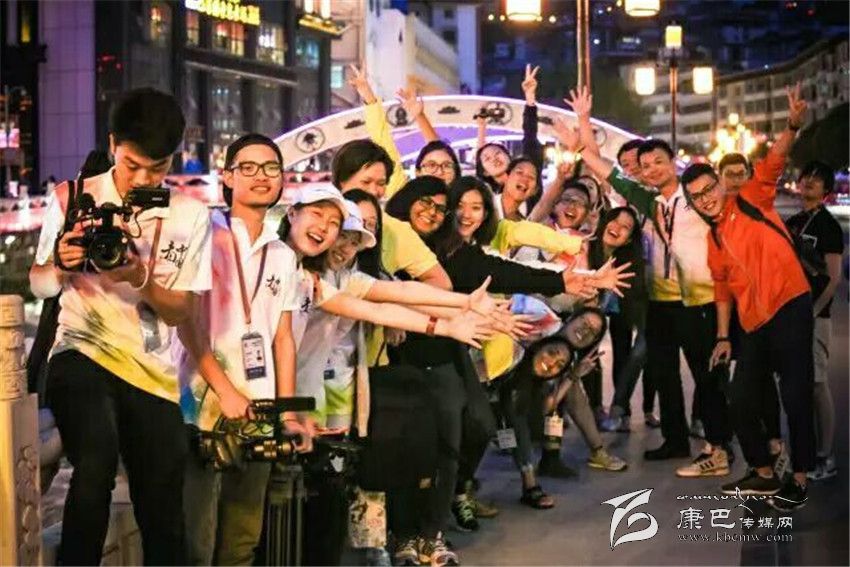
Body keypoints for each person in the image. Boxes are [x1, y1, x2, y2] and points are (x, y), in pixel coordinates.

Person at [30, 88, 211, 565]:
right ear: (113, 144)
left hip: (152, 373)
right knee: (95, 459)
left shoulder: (190, 215)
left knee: (163, 505)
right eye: (132, 165)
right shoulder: (72, 197)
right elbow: (40, 286)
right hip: (79, 352)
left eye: (158, 167)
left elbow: (180, 312)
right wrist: (61, 263)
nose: (143, 178)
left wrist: (139, 277)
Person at [560, 103, 732, 471]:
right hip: (658, 301)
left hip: (698, 301)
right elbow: (608, 173)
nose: (651, 169)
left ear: (673, 162)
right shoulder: (651, 202)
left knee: (707, 375)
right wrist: (582, 134)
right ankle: (675, 440)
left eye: (658, 162)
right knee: (664, 373)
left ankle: (720, 445)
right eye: (645, 164)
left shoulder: (696, 198)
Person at [177, 134, 312, 566]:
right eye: (248, 168)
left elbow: (283, 338)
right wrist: (225, 390)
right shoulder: (204, 236)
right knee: (196, 538)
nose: (261, 176)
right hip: (200, 408)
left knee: (243, 536)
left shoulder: (283, 255)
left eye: (271, 168)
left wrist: (286, 413)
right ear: (228, 177)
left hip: (259, 410)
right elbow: (186, 322)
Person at [684, 84, 814, 510]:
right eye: (696, 197)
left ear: (719, 185)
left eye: (709, 189)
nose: (706, 199)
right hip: (753, 322)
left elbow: (773, 162)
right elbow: (722, 288)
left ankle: (800, 477)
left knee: (795, 395)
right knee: (740, 398)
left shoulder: (750, 199)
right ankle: (762, 471)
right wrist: (724, 337)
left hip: (789, 305)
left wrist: (792, 125)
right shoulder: (713, 240)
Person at [785, 160, 844, 482]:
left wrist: (814, 311)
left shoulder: (828, 226)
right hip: (790, 315)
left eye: (817, 179)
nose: (808, 182)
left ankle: (826, 455)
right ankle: (804, 453)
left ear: (826, 190)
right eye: (805, 176)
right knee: (797, 387)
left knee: (818, 386)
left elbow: (833, 278)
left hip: (815, 316)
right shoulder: (793, 222)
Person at [589, 207, 652, 434]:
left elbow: (635, 298)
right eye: (615, 221)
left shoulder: (630, 261)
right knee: (594, 352)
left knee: (631, 351)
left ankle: (620, 409)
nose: (617, 228)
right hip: (592, 309)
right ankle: (598, 409)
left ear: (629, 239)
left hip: (626, 306)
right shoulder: (587, 248)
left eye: (626, 227)